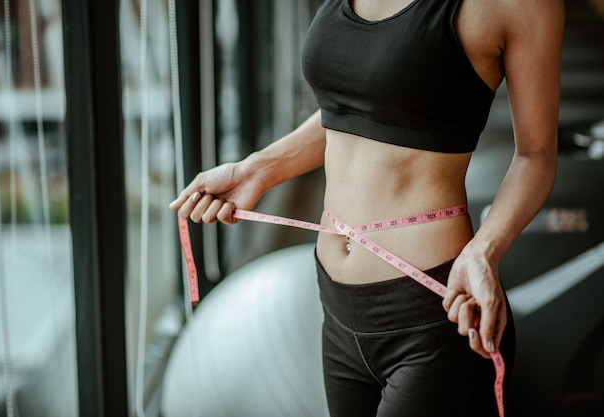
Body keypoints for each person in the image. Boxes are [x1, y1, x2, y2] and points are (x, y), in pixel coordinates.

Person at [170, 0, 565, 415]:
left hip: (431, 311)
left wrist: (485, 251)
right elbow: (354, 111)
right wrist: (258, 169)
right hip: (336, 306)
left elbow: (535, 156)